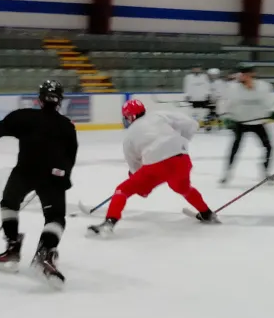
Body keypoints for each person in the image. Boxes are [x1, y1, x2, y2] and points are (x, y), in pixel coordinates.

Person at [0, 80, 77, 289]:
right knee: (55, 217)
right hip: (53, 175)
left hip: (26, 171)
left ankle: (12, 247)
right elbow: (70, 156)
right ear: (60, 101)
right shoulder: (67, 126)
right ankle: (46, 253)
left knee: (9, 203)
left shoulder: (24, 116)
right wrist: (63, 177)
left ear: (39, 99)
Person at [89, 100, 216, 236]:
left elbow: (134, 167)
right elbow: (192, 123)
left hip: (157, 165)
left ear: (130, 117)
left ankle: (109, 223)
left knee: (123, 189)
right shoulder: (159, 115)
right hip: (182, 160)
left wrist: (142, 188)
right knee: (182, 187)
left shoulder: (130, 136)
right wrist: (181, 142)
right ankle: (207, 213)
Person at [220, 64, 274, 184]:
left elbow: (269, 102)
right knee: (235, 148)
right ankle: (227, 173)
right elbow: (224, 103)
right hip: (240, 122)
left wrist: (272, 111)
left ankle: (266, 171)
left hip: (258, 122)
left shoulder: (263, 87)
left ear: (252, 74)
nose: (243, 76)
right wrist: (226, 117)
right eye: (241, 74)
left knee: (268, 147)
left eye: (246, 74)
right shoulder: (232, 88)